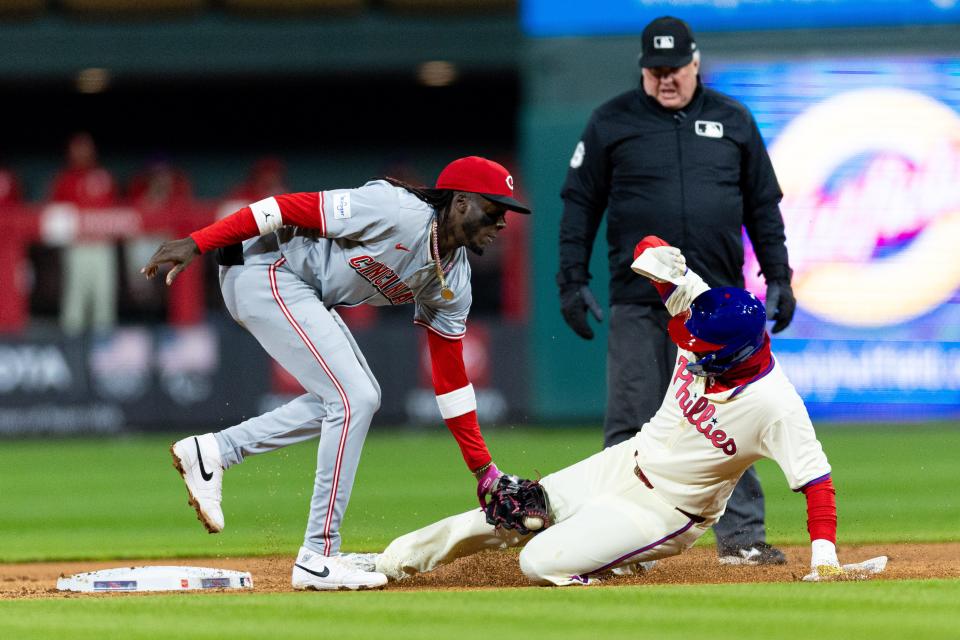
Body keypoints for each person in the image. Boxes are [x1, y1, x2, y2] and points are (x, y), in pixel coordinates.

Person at [141, 156, 532, 591]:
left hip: (299, 287)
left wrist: (485, 472)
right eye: (495, 210)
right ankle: (318, 555)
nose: (501, 223)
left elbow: (452, 380)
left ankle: (214, 452)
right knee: (354, 399)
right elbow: (281, 208)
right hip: (263, 266)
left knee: (360, 396)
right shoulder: (396, 210)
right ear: (460, 203)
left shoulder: (454, 278)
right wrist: (198, 241)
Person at [374, 237, 839, 586]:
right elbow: (652, 257)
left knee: (537, 562)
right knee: (512, 513)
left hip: (666, 512)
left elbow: (817, 482)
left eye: (701, 347)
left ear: (736, 354)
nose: (689, 348)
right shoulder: (704, 312)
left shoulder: (775, 405)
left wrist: (825, 561)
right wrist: (655, 252)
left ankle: (617, 558)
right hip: (622, 462)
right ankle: (387, 566)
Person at [556, 15, 797, 565]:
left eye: (675, 68)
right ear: (644, 69)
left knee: (732, 418)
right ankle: (611, 543)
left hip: (719, 309)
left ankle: (741, 541)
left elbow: (764, 207)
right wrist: (571, 280)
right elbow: (579, 207)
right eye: (655, 69)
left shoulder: (733, 119)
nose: (666, 79)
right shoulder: (611, 121)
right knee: (629, 421)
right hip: (640, 300)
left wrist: (779, 277)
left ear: (695, 63)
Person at [50, 132, 120, 335]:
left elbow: (116, 211)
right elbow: (54, 216)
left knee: (103, 299)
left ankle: (105, 353)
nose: (82, 152)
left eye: (85, 147)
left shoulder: (104, 177)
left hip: (102, 245)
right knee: (75, 300)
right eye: (77, 148)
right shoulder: (64, 180)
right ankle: (71, 349)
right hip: (77, 245)